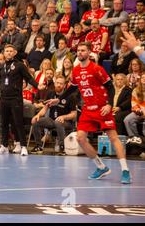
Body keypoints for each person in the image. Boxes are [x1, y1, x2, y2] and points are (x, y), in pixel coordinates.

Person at [46, 42, 131, 184]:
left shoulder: (96, 68)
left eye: (83, 50)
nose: (79, 53)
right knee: (80, 138)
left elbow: (110, 87)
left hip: (102, 107)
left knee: (113, 138)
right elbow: (72, 88)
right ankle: (101, 167)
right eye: (78, 50)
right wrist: (58, 99)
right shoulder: (76, 70)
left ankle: (125, 170)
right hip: (88, 108)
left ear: (89, 52)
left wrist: (110, 105)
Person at [0, 44, 45, 156]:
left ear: (15, 52)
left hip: (15, 98)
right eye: (7, 51)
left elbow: (29, 78)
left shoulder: (20, 65)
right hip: (3, 99)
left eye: (11, 51)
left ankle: (23, 146)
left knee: (18, 123)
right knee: (4, 123)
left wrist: (37, 85)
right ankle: (4, 146)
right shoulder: (1, 67)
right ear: (3, 53)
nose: (9, 53)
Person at [30, 75, 77, 155]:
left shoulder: (70, 96)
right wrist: (38, 115)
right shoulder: (50, 93)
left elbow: (74, 114)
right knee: (35, 121)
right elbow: (45, 108)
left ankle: (62, 148)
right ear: (54, 84)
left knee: (58, 122)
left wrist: (63, 117)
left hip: (66, 122)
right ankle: (39, 146)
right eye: (57, 83)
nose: (59, 85)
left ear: (64, 85)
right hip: (51, 120)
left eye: (61, 84)